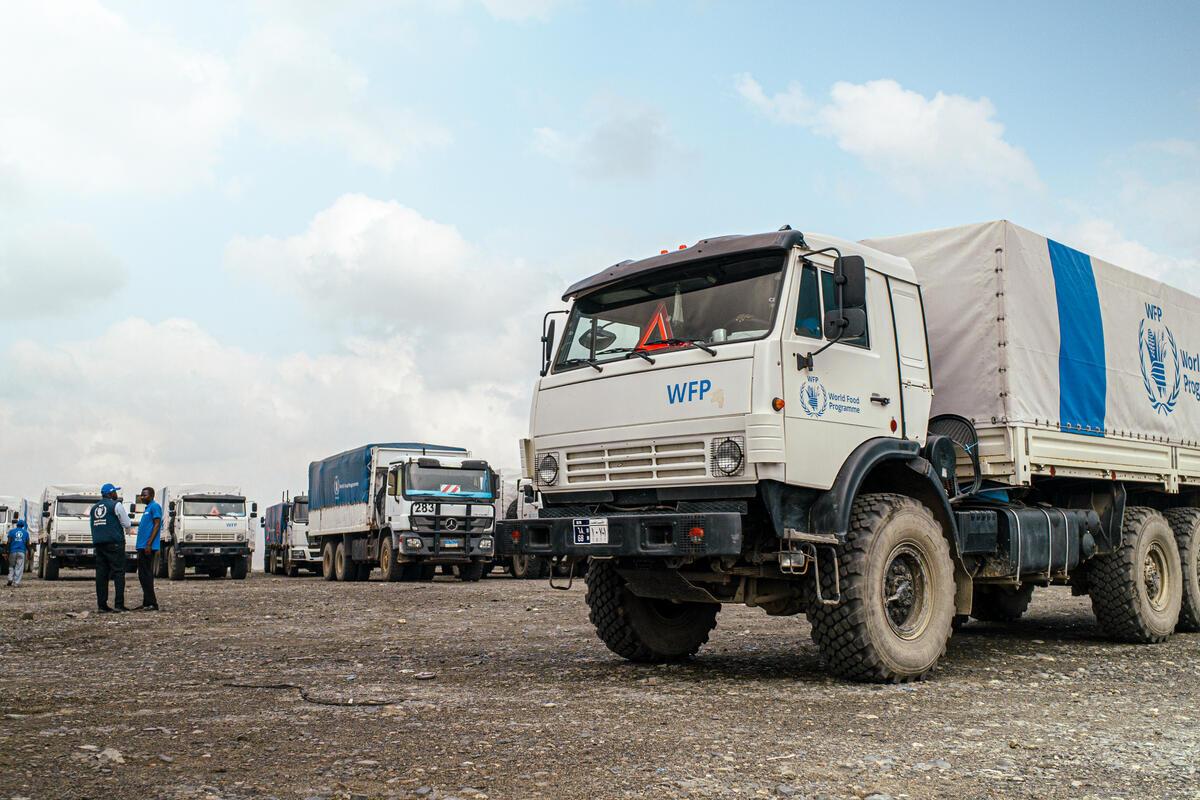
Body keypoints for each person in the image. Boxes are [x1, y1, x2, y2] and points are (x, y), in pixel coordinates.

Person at [90, 483, 131, 613]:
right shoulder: (116, 505)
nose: (116, 494)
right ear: (111, 493)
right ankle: (119, 604)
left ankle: (101, 605)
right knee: (118, 573)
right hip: (114, 543)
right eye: (115, 492)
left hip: (99, 543)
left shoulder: (94, 508)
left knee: (101, 575)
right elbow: (126, 523)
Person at [135, 486, 162, 610]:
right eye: (141, 495)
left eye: (145, 495)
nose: (142, 497)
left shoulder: (154, 506)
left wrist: (149, 544)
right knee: (142, 575)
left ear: (151, 496)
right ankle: (146, 602)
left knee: (146, 574)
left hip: (148, 546)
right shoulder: (147, 508)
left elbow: (157, 525)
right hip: (142, 545)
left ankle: (152, 603)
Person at [6, 519, 29, 588]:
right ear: (23, 526)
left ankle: (10, 578)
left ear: (17, 525)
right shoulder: (25, 533)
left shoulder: (11, 531)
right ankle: (16, 583)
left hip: (12, 551)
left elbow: (9, 542)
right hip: (21, 552)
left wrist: (6, 551)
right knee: (19, 567)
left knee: (11, 566)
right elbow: (27, 544)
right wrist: (30, 552)